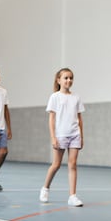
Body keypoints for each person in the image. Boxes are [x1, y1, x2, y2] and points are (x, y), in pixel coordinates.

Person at [39, 68, 85, 207]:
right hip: (61, 135)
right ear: (59, 80)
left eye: (71, 78)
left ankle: (72, 196)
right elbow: (51, 119)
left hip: (74, 135)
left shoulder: (76, 97)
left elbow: (80, 118)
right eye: (66, 78)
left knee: (73, 165)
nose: (69, 80)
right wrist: (53, 137)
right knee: (56, 164)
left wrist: (81, 136)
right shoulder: (55, 97)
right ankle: (45, 188)